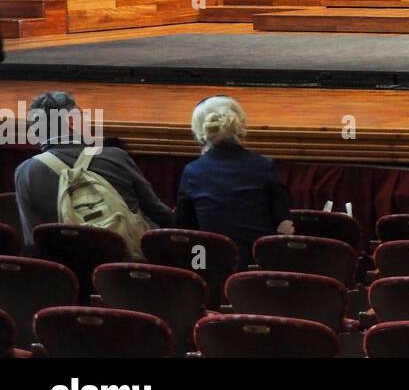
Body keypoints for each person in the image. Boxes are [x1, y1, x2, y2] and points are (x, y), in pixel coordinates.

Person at [14, 90, 172, 251]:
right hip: (126, 260)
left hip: (66, 263)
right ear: (71, 122)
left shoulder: (26, 172)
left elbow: (32, 241)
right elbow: (158, 212)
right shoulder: (115, 157)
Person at [174, 96, 293, 267]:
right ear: (240, 124)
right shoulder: (264, 166)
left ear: (199, 130)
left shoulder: (193, 171)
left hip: (211, 269)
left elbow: (185, 230)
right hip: (257, 270)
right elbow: (284, 225)